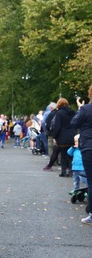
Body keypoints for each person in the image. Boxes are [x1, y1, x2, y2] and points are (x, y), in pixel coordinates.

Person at [71, 86, 92, 225]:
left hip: (89, 147)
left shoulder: (85, 110)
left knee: (91, 180)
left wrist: (80, 109)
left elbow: (74, 123)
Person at [52, 98, 76, 177]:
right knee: (71, 155)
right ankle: (72, 171)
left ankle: (64, 171)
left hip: (62, 137)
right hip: (72, 136)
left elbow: (57, 126)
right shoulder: (72, 112)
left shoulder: (59, 113)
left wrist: (55, 136)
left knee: (63, 155)